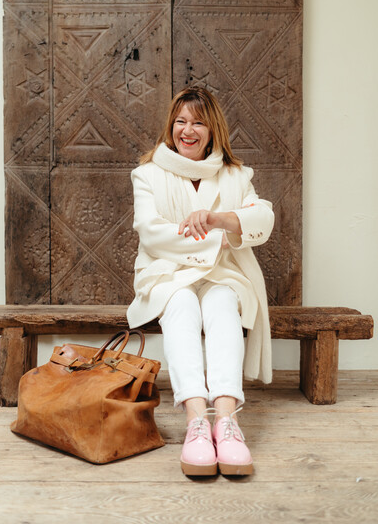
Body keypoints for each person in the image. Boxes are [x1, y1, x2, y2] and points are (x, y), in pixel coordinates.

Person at [127, 87, 274, 476]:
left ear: (213, 130)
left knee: (222, 303)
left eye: (197, 122)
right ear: (171, 126)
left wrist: (221, 219)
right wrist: (220, 238)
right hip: (167, 274)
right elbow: (151, 232)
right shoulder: (148, 173)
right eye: (180, 121)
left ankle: (227, 422)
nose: (187, 130)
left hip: (222, 272)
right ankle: (196, 421)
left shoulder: (236, 175)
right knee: (181, 304)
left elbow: (264, 218)